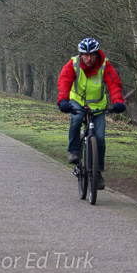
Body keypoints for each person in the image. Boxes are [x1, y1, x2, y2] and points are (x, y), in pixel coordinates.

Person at [57, 37, 126, 190]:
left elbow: (114, 84)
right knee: (77, 119)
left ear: (96, 54)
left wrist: (118, 102)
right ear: (80, 55)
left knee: (100, 139)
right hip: (77, 102)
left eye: (92, 55)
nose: (89, 59)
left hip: (97, 106)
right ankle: (74, 150)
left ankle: (98, 172)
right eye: (85, 55)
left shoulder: (104, 66)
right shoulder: (73, 64)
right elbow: (64, 82)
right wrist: (63, 100)